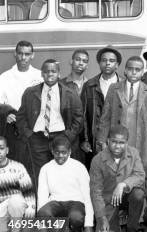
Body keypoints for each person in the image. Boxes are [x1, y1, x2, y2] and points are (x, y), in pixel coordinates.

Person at [16, 59, 83, 187]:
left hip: (61, 138)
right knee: (39, 175)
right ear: (42, 74)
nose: (50, 74)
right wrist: (29, 135)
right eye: (46, 71)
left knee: (61, 174)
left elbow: (78, 118)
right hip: (37, 139)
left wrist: (68, 136)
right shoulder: (30, 92)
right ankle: (41, 204)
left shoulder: (70, 93)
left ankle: (58, 203)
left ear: (59, 73)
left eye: (53, 71)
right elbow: (21, 116)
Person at [96, 56, 147, 165]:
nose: (134, 72)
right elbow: (105, 118)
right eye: (131, 69)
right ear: (125, 71)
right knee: (117, 173)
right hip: (118, 142)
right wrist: (103, 141)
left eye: (138, 70)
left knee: (139, 174)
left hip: (142, 143)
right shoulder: (114, 88)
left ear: (142, 72)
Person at [89, 125, 146, 232]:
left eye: (121, 143)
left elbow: (140, 175)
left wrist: (122, 185)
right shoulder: (97, 160)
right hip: (108, 201)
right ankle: (111, 225)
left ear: (126, 143)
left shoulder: (133, 153)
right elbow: (96, 191)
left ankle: (131, 231)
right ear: (108, 140)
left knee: (138, 194)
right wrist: (101, 217)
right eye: (114, 142)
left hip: (126, 197)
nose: (117, 146)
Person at [37, 136, 94, 232]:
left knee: (76, 217)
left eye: (64, 152)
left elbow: (87, 197)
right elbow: (42, 197)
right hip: (55, 202)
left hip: (76, 202)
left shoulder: (79, 167)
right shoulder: (45, 169)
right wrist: (41, 225)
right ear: (52, 151)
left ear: (70, 151)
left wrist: (88, 225)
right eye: (57, 152)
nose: (60, 156)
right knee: (43, 213)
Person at [80, 47, 123, 169]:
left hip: (119, 139)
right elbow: (83, 115)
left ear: (117, 65)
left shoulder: (124, 86)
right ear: (99, 63)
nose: (107, 63)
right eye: (104, 60)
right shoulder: (90, 86)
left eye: (111, 60)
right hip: (95, 141)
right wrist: (85, 140)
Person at [0, 136, 36, 232]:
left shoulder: (18, 167)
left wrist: (29, 222)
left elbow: (30, 197)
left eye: (1, 148)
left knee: (16, 199)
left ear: (7, 150)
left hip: (15, 211)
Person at [0, 41, 43, 122]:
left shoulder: (40, 76)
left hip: (36, 124)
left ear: (32, 55)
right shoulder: (4, 77)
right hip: (14, 123)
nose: (23, 57)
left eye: (27, 54)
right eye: (20, 53)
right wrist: (6, 115)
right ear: (15, 54)